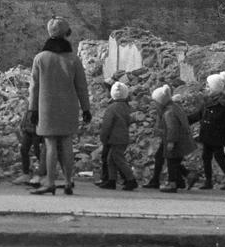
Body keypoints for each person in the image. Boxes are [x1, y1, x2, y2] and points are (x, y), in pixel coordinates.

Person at [27, 16, 91, 196]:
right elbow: (81, 86)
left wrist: (32, 109)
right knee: (67, 143)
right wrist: (86, 108)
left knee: (50, 144)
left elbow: (34, 87)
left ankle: (50, 182)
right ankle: (69, 182)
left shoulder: (40, 58)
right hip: (69, 106)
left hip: (46, 107)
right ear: (66, 34)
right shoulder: (74, 59)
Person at [195, 71, 225, 190]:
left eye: (208, 86)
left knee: (219, 157)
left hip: (216, 135)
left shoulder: (224, 104)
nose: (206, 88)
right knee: (206, 157)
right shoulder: (208, 101)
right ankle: (209, 181)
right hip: (208, 134)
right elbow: (199, 115)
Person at [95, 80, 137, 190]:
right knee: (111, 159)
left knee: (118, 159)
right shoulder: (126, 107)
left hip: (114, 138)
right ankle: (112, 180)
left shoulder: (112, 108)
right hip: (123, 137)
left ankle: (130, 179)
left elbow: (107, 125)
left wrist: (103, 137)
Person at [153, 84, 195, 192]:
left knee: (172, 162)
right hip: (182, 139)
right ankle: (186, 177)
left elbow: (172, 128)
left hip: (176, 140)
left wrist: (171, 141)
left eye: (156, 102)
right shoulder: (174, 107)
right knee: (175, 162)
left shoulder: (168, 113)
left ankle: (172, 184)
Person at [16, 99, 42, 186]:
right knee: (23, 149)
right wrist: (23, 123)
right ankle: (26, 174)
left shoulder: (41, 96)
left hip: (37, 129)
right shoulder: (30, 98)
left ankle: (42, 174)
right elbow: (27, 112)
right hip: (28, 128)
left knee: (38, 152)